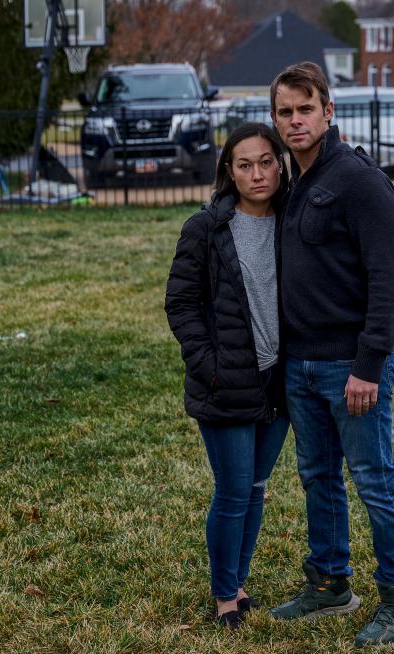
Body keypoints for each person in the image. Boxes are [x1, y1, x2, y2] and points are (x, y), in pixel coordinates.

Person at [267, 62, 394, 647]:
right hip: (299, 365)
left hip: (349, 366)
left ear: (328, 112)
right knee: (318, 479)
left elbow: (390, 281)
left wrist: (368, 365)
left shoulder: (358, 180)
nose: (296, 120)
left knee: (374, 478)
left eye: (306, 109)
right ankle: (330, 584)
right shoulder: (292, 181)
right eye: (286, 111)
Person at [164, 123, 290, 629]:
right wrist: (208, 365)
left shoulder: (292, 221)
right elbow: (180, 302)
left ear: (280, 165)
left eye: (265, 162)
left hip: (278, 382)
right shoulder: (207, 228)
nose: (257, 174)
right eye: (244, 164)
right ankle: (223, 598)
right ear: (228, 171)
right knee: (234, 491)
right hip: (225, 382)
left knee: (257, 489)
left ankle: (238, 583)